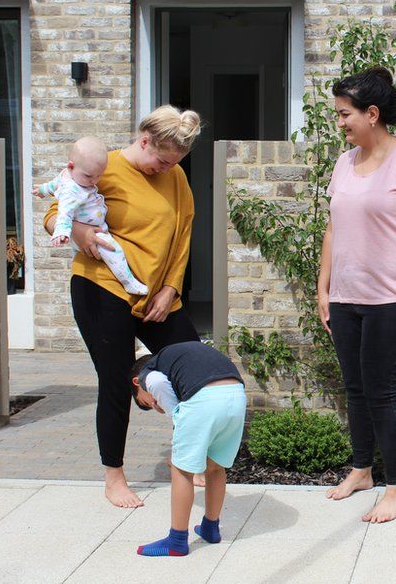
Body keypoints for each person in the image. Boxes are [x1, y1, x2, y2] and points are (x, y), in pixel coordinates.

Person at [43, 105, 202, 508]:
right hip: (101, 287)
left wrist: (170, 287)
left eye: (174, 163)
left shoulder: (176, 177)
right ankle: (114, 476)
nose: (164, 169)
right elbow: (53, 212)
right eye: (160, 160)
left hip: (156, 292)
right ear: (144, 140)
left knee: (196, 368)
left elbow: (182, 235)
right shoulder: (104, 168)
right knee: (113, 379)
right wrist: (79, 231)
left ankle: (188, 456)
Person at [318, 67, 396, 523]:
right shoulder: (344, 163)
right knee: (355, 389)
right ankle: (362, 471)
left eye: (345, 114)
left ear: (372, 114)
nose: (340, 123)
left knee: (381, 391)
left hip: (394, 298)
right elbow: (333, 228)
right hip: (347, 296)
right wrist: (324, 287)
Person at [130, 341, 246, 557]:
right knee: (215, 467)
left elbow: (156, 382)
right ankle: (210, 528)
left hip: (205, 399)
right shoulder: (177, 358)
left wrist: (174, 415)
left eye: (145, 402)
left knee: (181, 469)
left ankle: (176, 541)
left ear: (137, 382)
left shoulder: (149, 371)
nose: (153, 404)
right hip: (236, 396)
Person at [33, 136, 148, 295]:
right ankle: (129, 282)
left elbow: (53, 184)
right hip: (94, 232)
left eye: (99, 176)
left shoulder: (66, 175)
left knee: (80, 259)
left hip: (86, 231)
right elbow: (64, 213)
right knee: (115, 252)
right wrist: (63, 232)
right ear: (71, 166)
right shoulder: (72, 191)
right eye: (88, 176)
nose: (93, 181)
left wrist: (42, 190)